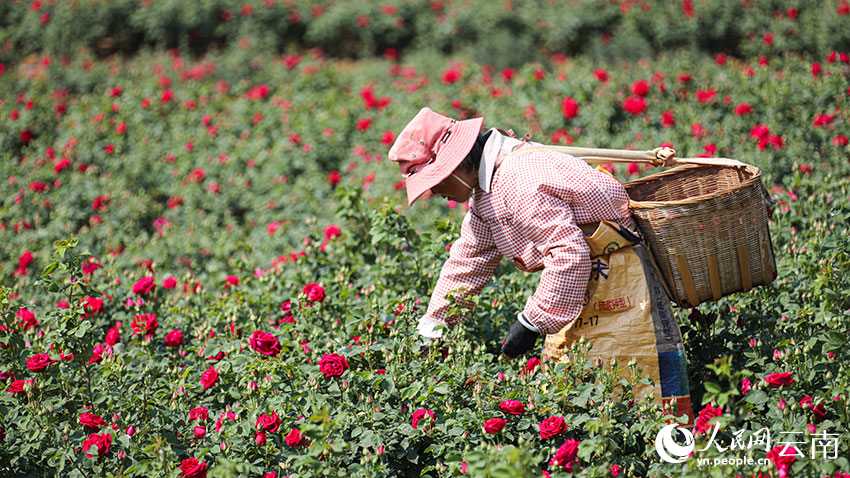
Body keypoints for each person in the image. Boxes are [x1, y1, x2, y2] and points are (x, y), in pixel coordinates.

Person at [387, 107, 636, 357]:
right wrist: (434, 326)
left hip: (618, 276)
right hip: (588, 280)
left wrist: (531, 323)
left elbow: (568, 253)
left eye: (436, 181)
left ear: (455, 165)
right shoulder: (487, 190)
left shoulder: (518, 178)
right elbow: (469, 259)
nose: (435, 193)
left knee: (624, 375)